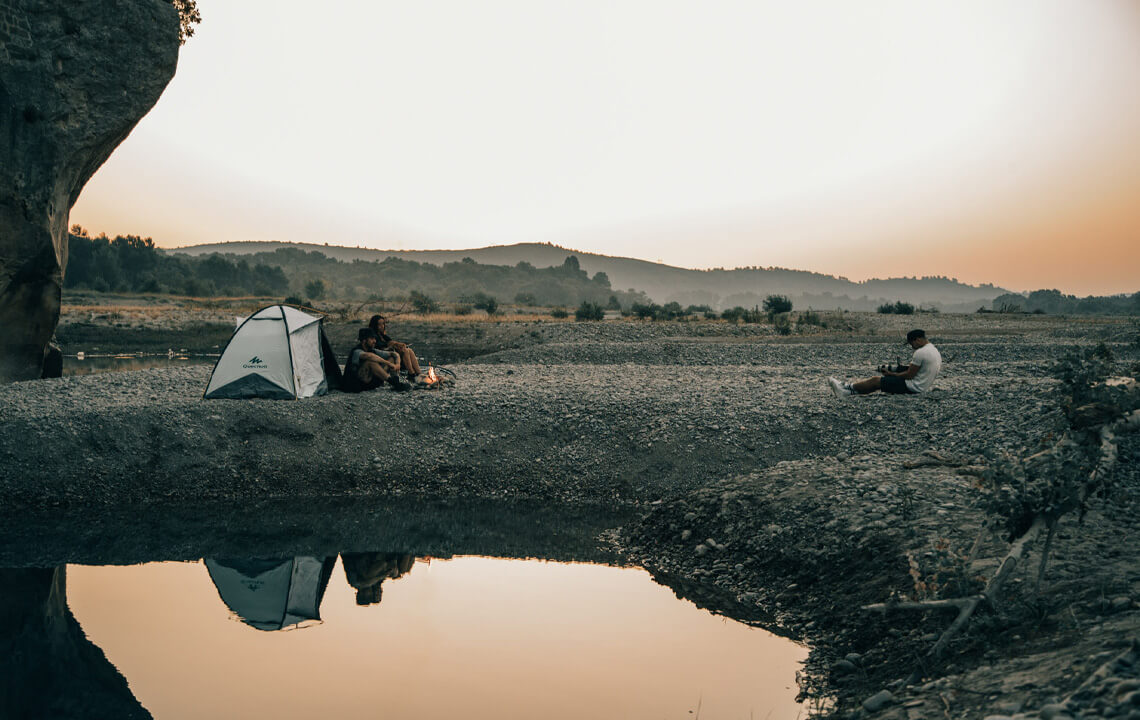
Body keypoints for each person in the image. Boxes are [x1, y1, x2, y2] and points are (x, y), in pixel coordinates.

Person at [829, 329, 941, 398]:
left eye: (911, 344)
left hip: (913, 387)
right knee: (880, 384)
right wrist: (896, 370)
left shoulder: (920, 352)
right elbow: (915, 370)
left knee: (876, 381)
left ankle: (847, 386)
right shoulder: (934, 350)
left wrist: (891, 374)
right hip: (922, 386)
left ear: (917, 340)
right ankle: (848, 393)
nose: (912, 347)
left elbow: (909, 375)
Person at [345, 328, 411, 392]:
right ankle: (394, 383)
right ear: (364, 340)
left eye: (375, 338)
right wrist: (388, 363)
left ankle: (396, 382)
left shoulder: (372, 350)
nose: (375, 341)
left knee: (391, 358)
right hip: (356, 385)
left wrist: (397, 365)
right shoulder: (356, 351)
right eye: (372, 339)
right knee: (370, 362)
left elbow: (394, 354)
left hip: (370, 382)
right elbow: (369, 356)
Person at [369, 314, 422, 383]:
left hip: (390, 354)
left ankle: (418, 373)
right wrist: (393, 345)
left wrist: (398, 345)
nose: (382, 326)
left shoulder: (382, 335)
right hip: (384, 357)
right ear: (375, 325)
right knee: (405, 350)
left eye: (383, 324)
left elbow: (390, 341)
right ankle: (411, 373)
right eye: (379, 324)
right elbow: (380, 346)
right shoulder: (373, 336)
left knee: (409, 350)